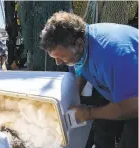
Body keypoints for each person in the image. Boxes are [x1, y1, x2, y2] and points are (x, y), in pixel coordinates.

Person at [40, 11, 138, 148]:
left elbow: (132, 107)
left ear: (79, 44)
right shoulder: (77, 46)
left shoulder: (113, 54)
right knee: (102, 132)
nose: (57, 63)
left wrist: (89, 113)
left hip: (135, 101)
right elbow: (80, 71)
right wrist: (72, 99)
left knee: (130, 141)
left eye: (61, 57)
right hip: (115, 86)